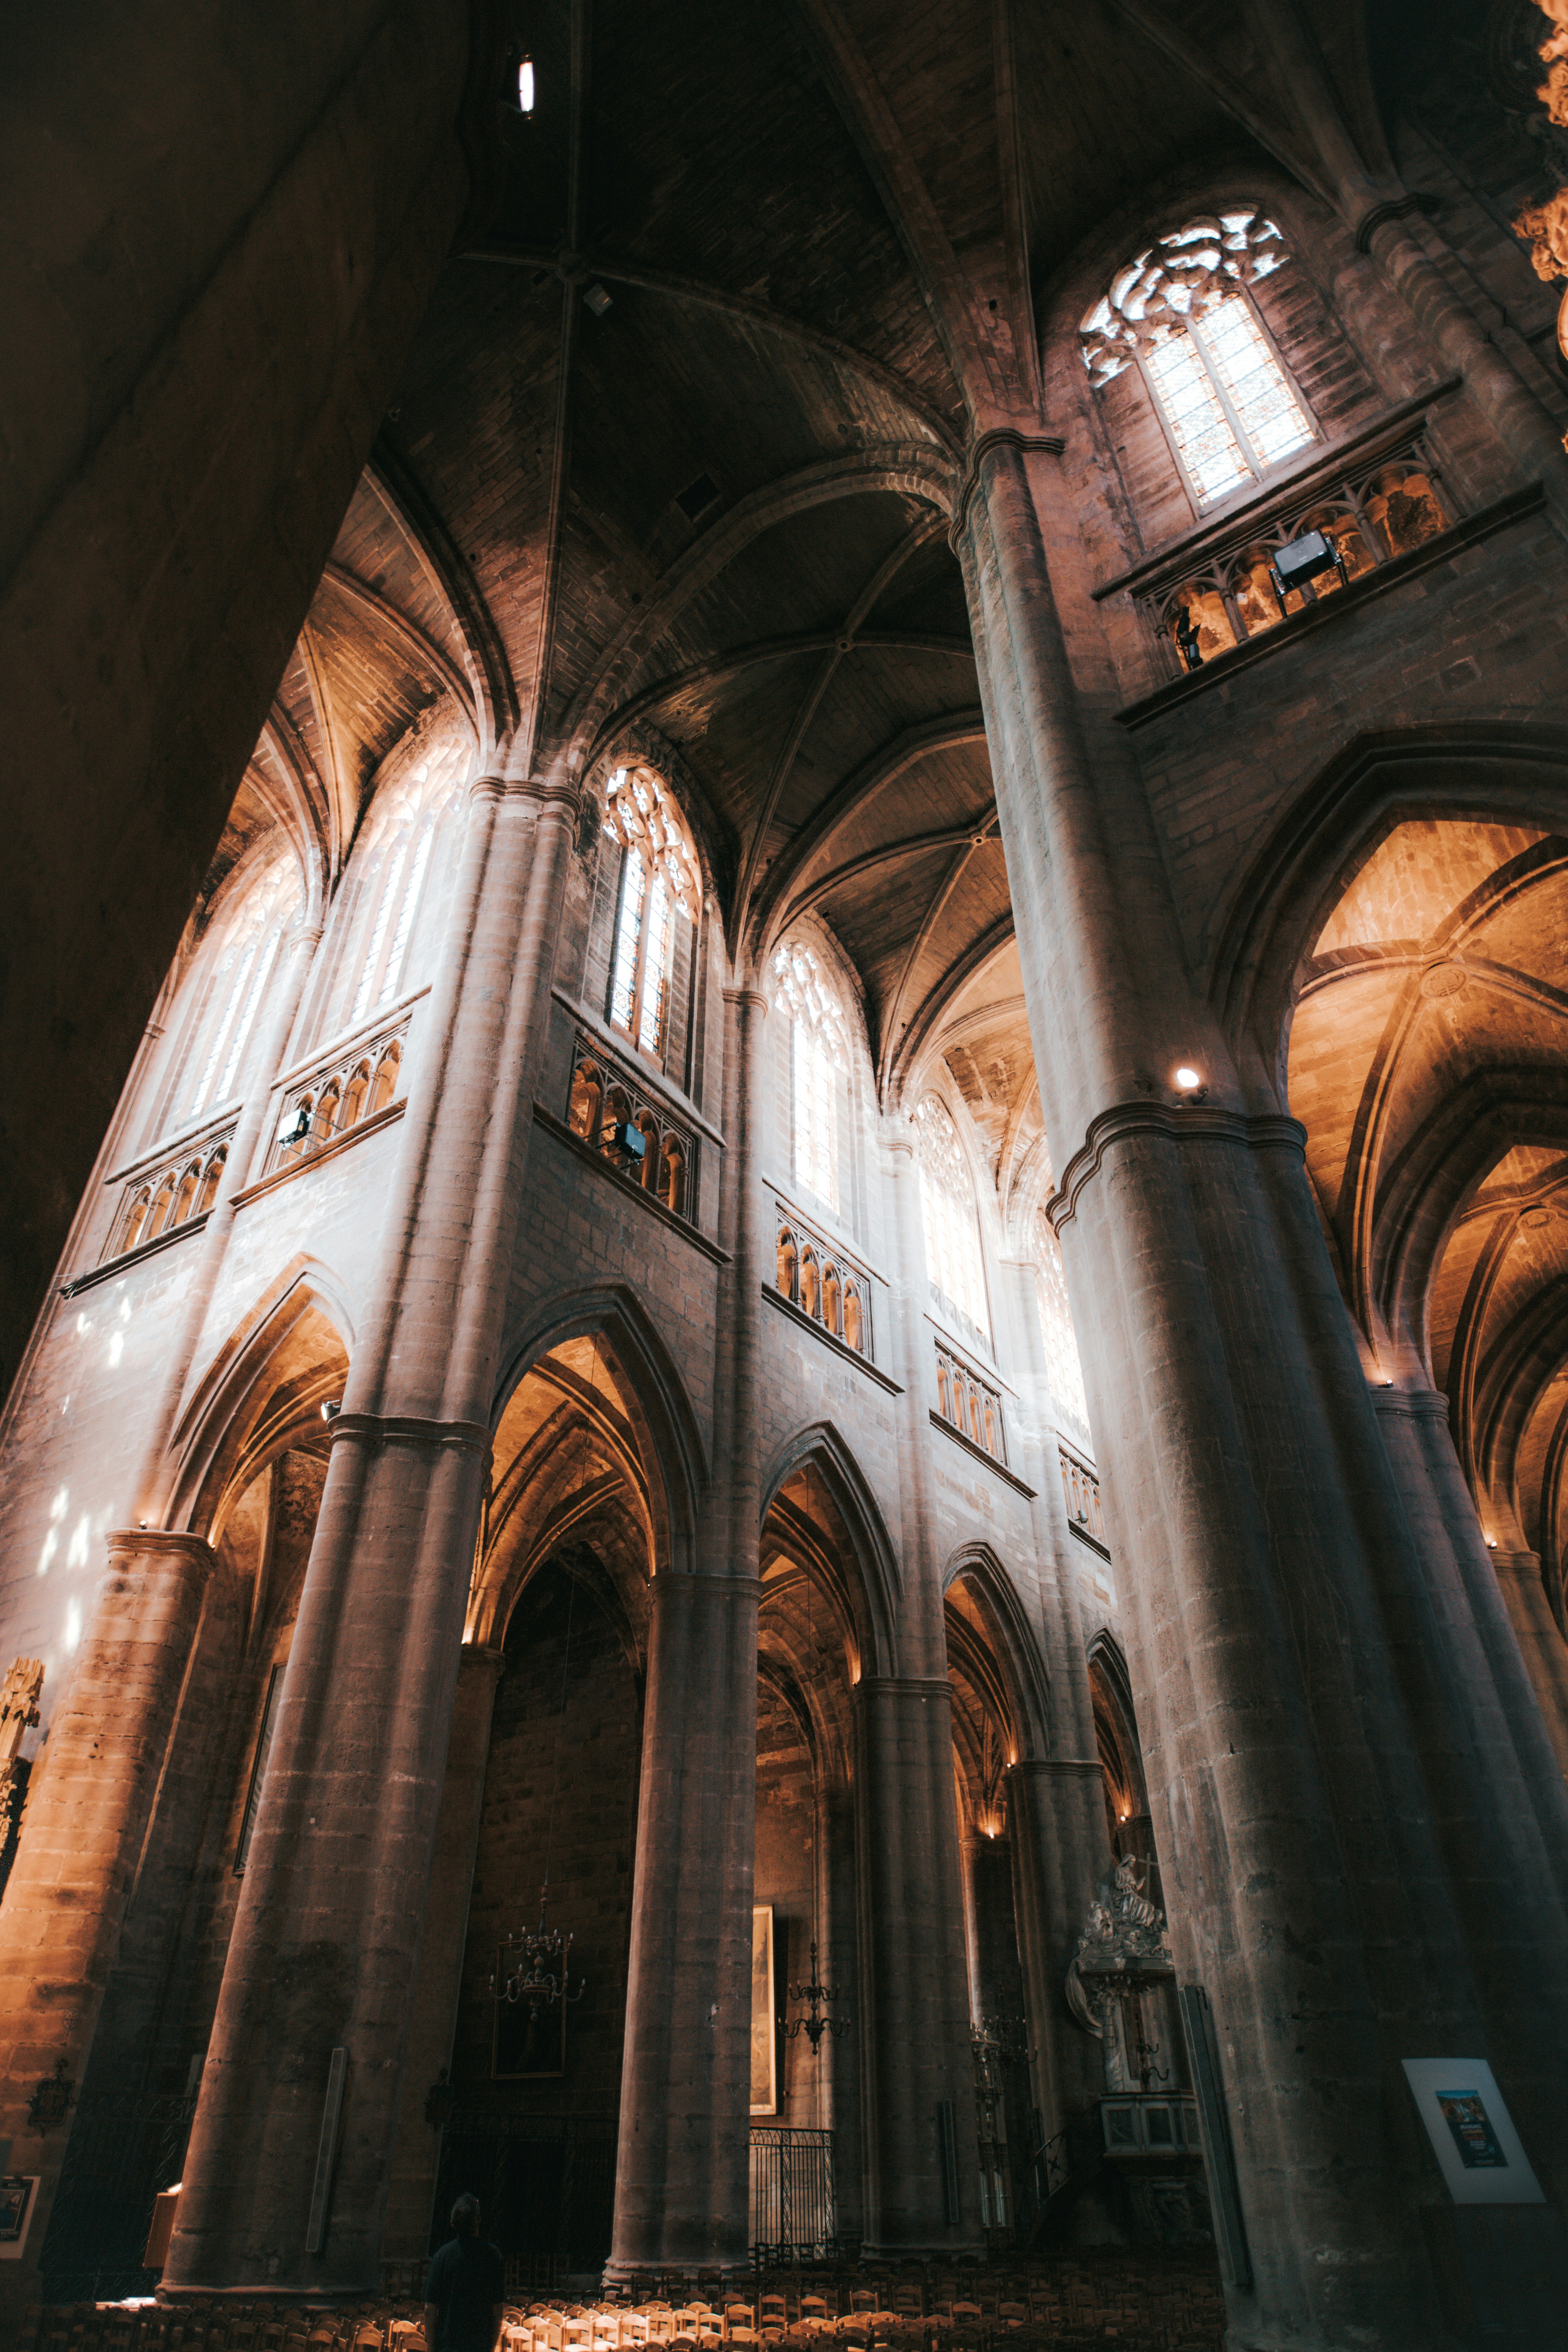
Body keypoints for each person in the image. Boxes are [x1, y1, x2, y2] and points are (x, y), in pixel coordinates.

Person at [423, 2193, 505, 2352]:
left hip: (447, 2346)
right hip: (479, 2346)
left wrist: (432, 2348)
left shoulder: (442, 2256)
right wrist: (492, 2347)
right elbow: (497, 2309)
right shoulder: (493, 2256)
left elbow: (430, 2309)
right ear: (479, 2220)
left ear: (453, 2223)